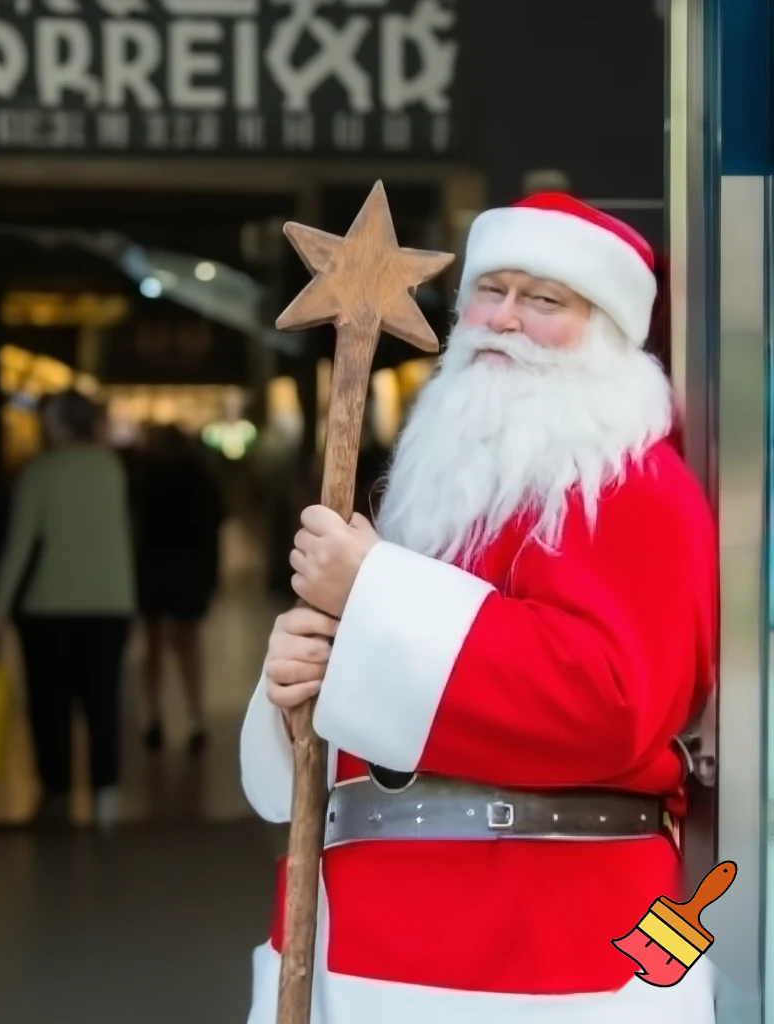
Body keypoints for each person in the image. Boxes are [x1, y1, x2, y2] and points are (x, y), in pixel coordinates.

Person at [239, 193, 717, 1023]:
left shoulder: (639, 490)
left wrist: (374, 593)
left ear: (607, 331)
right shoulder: (437, 488)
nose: (504, 320)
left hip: (541, 943)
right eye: (490, 291)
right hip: (360, 934)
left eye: (545, 300)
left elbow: (605, 700)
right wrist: (301, 677)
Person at [0, 390, 136, 831]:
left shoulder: (40, 472)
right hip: (110, 604)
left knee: (49, 705)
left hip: (49, 607)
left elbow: (18, 548)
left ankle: (56, 795)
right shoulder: (111, 469)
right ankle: (105, 798)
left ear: (54, 425)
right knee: (103, 703)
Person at [135, 424, 224, 754]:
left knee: (153, 645)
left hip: (152, 567)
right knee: (188, 646)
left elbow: (136, 527)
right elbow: (212, 527)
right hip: (189, 570)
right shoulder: (200, 478)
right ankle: (196, 718)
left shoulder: (146, 475)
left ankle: (153, 717)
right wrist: (211, 576)